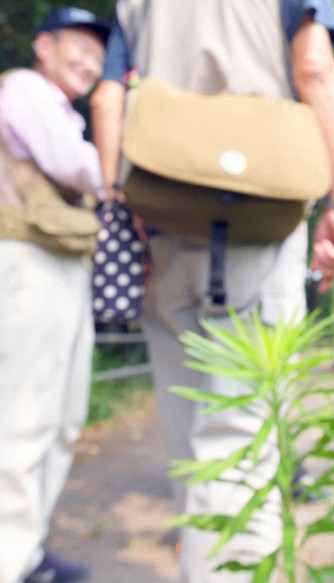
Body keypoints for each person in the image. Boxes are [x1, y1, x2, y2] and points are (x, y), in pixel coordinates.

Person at [89, 1, 334, 580]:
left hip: (163, 216)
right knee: (242, 437)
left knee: (187, 438)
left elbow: (108, 98)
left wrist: (116, 202)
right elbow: (314, 67)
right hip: (259, 218)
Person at [0, 7, 110, 583]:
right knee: (22, 418)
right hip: (28, 261)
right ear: (44, 45)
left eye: (99, 56)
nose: (90, 64)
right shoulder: (23, 89)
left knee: (63, 417)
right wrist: (106, 163)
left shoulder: (61, 110)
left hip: (64, 266)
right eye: (80, 49)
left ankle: (27, 550)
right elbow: (78, 167)